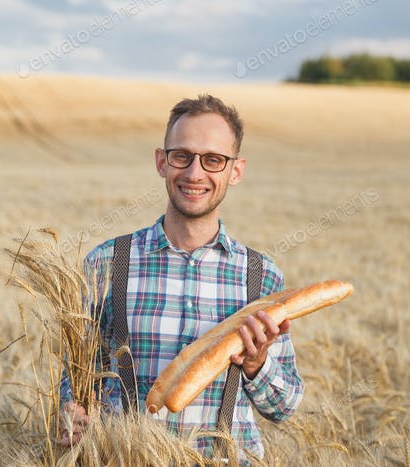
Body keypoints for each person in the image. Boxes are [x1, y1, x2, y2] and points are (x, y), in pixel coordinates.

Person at [59, 94, 304, 461]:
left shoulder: (261, 277)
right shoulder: (108, 263)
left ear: (235, 171)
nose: (194, 173)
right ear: (162, 161)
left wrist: (256, 364)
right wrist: (69, 410)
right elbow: (75, 377)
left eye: (213, 160)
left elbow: (284, 406)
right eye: (182, 156)